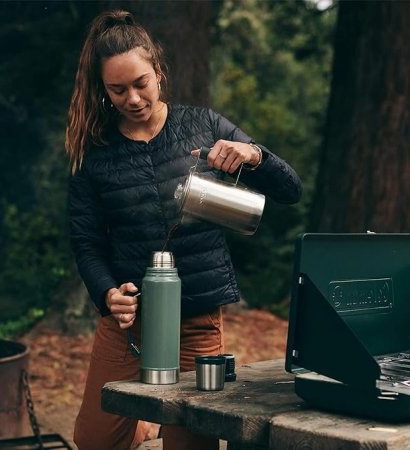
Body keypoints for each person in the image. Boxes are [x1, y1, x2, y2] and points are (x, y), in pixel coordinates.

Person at [65, 9, 302, 450]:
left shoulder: (203, 125)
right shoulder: (95, 154)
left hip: (196, 318)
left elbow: (290, 190)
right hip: (128, 326)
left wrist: (253, 155)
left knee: (191, 445)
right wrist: (106, 294)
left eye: (140, 83)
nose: (132, 98)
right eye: (117, 90)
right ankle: (142, 423)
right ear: (102, 90)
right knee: (95, 441)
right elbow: (87, 243)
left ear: (158, 72)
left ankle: (158, 424)